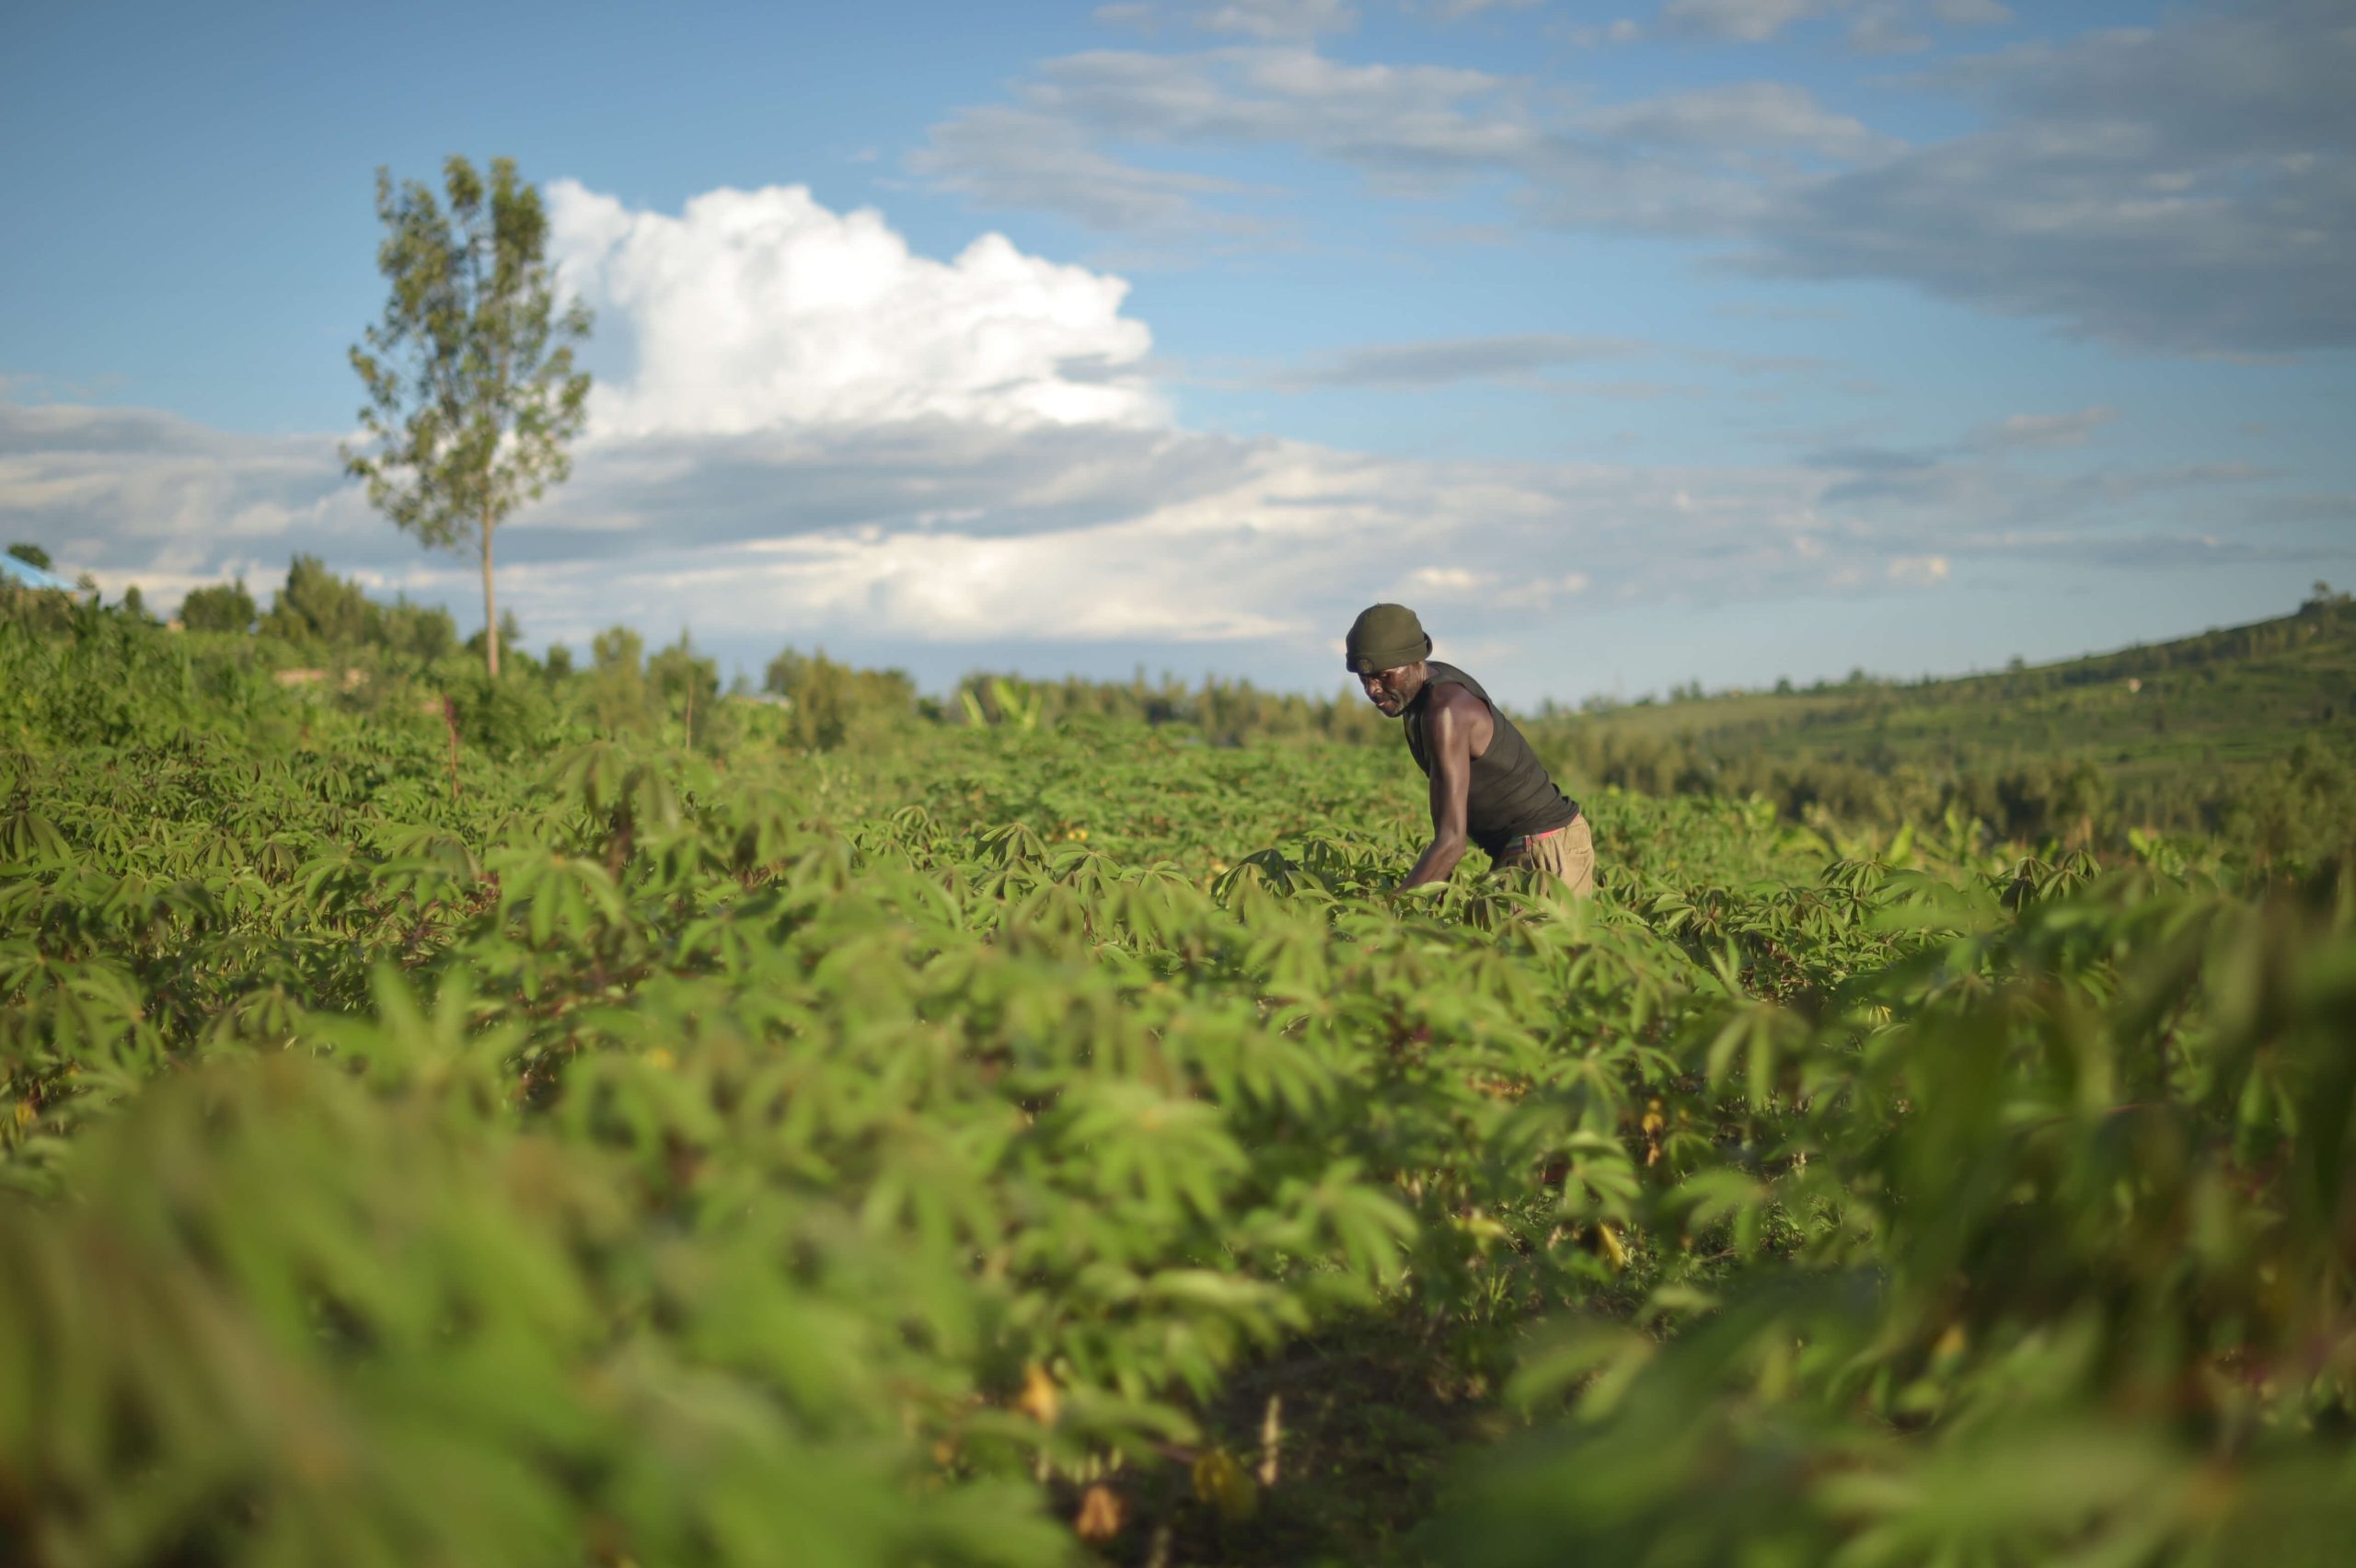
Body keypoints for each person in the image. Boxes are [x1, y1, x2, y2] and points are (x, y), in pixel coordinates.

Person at [1346, 603, 1595, 897]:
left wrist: (1389, 912)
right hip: (1518, 850)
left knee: (1520, 945)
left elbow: (1452, 843)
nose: (1372, 689)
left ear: (1415, 661)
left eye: (1384, 676)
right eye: (1365, 678)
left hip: (1546, 851)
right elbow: (1448, 834)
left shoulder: (1445, 710)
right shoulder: (1419, 701)